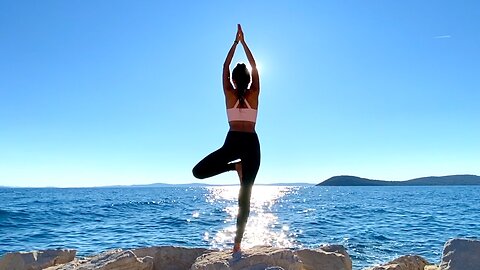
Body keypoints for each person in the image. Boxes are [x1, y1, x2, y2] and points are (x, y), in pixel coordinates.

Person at [192, 24, 260, 254]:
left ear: (232, 78)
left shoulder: (229, 93)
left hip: (234, 141)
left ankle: (234, 167)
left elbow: (224, 66)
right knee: (245, 196)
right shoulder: (255, 92)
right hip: (250, 142)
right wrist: (244, 44)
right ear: (249, 78)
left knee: (198, 172)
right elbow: (253, 65)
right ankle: (237, 243)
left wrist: (235, 43)